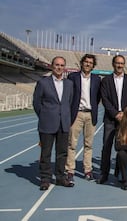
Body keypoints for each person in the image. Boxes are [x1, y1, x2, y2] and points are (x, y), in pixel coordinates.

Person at [33, 56, 74, 190]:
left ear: (64, 67)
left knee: (62, 153)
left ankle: (61, 177)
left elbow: (70, 103)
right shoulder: (43, 83)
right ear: (52, 66)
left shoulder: (69, 84)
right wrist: (45, 116)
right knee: (46, 153)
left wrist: (67, 118)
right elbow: (37, 103)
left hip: (64, 123)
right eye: (57, 65)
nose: (59, 67)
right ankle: (45, 179)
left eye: (62, 65)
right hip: (47, 123)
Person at [98, 55, 127, 184]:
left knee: (123, 147)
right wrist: (115, 114)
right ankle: (104, 174)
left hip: (125, 120)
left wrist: (124, 114)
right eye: (117, 63)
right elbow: (105, 99)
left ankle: (119, 171)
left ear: (124, 64)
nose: (119, 65)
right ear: (113, 64)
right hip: (110, 118)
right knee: (107, 147)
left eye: (121, 63)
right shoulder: (106, 80)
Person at [65, 54, 101, 184]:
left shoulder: (97, 79)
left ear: (93, 65)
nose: (88, 64)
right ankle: (70, 170)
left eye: (90, 63)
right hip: (77, 113)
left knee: (89, 144)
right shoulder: (72, 77)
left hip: (90, 114)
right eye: (86, 62)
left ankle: (87, 170)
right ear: (82, 63)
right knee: (72, 144)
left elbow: (97, 97)